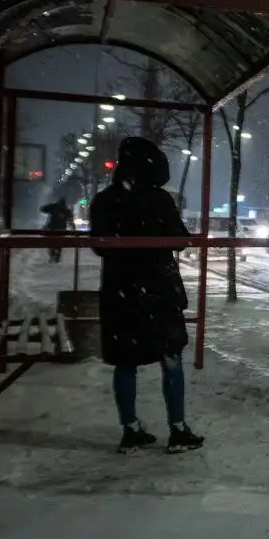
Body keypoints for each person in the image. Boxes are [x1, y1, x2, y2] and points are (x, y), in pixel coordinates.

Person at [89, 136, 204, 454]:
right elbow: (181, 241)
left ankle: (131, 429)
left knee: (125, 362)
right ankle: (178, 430)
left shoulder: (105, 200)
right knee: (171, 358)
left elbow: (99, 244)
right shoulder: (160, 200)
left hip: (120, 292)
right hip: (159, 292)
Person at [39, 197, 73, 263]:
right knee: (58, 243)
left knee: (52, 242)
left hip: (53, 229)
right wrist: (73, 227)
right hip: (60, 230)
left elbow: (43, 209)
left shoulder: (54, 207)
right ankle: (56, 255)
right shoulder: (65, 210)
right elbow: (70, 220)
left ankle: (53, 255)